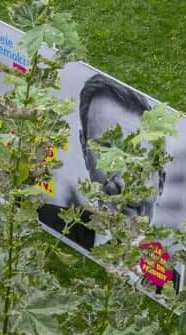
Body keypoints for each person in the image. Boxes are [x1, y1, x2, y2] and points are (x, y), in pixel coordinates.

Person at [37, 73, 167, 253]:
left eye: (139, 161)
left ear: (161, 182)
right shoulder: (44, 220)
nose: (122, 182)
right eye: (106, 151)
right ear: (84, 150)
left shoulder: (169, 275)